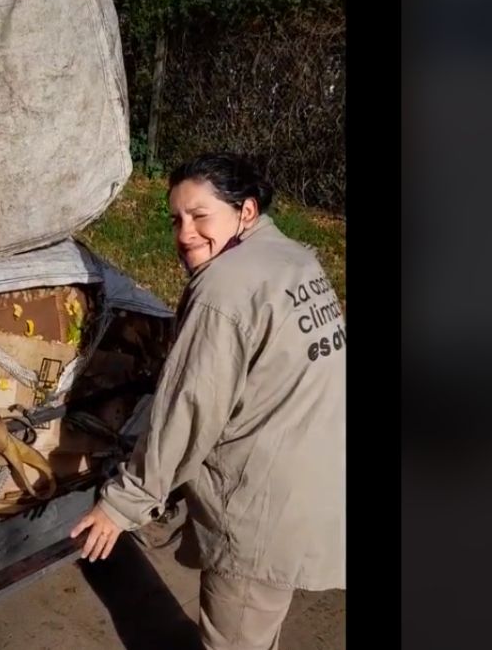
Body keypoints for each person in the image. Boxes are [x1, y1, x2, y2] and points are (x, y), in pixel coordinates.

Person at [70, 152, 346, 650]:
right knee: (258, 627)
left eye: (200, 216)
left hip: (262, 504)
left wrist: (123, 504)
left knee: (235, 636)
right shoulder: (294, 258)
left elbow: (189, 409)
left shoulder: (224, 288)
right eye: (176, 218)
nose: (184, 234)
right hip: (314, 478)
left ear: (246, 211)